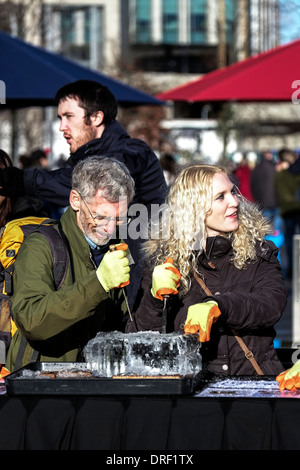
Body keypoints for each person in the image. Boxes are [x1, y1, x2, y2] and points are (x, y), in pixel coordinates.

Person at [0, 80, 167, 308]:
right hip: (116, 276)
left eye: (68, 116)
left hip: (140, 286)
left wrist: (22, 180)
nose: (61, 127)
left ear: (96, 118)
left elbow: (94, 183)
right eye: (60, 118)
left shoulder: (131, 152)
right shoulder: (90, 157)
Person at [127, 164, 287, 376]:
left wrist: (219, 306)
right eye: (221, 197)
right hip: (192, 394)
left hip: (252, 387)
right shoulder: (164, 261)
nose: (235, 201)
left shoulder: (258, 250)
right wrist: (155, 300)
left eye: (233, 191)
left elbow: (271, 304)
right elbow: (138, 340)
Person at [6, 157, 135, 371]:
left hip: (95, 381)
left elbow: (127, 321)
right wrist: (99, 282)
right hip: (41, 384)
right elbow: (30, 319)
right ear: (75, 200)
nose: (110, 229)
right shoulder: (40, 246)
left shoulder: (117, 248)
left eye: (120, 219)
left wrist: (155, 297)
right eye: (101, 217)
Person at [274, 148, 300, 279]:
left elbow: (280, 192)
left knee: (289, 241)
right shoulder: (294, 175)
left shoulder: (279, 175)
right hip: (294, 209)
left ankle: (292, 268)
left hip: (288, 210)